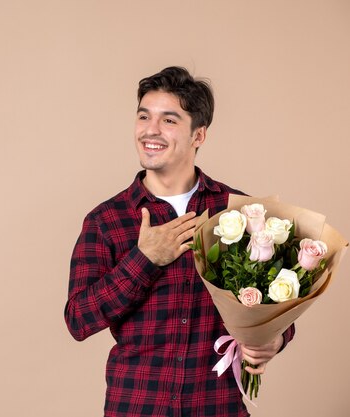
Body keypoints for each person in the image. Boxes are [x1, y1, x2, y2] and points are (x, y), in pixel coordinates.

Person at [64, 66, 294, 417]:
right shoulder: (107, 220)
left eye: (169, 120)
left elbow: (279, 299)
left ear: (198, 135)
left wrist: (275, 340)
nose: (150, 130)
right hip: (136, 407)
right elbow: (78, 320)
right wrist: (145, 259)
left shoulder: (242, 213)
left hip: (217, 407)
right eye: (144, 117)